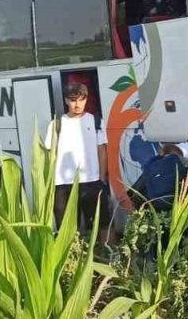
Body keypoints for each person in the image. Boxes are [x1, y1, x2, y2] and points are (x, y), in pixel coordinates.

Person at [49, 82, 129, 245]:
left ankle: (108, 259)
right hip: (63, 185)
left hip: (91, 181)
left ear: (86, 100)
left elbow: (102, 150)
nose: (77, 104)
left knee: (104, 223)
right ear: (66, 101)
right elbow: (51, 154)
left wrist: (101, 177)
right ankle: (72, 263)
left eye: (81, 99)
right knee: (67, 228)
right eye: (72, 100)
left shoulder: (96, 121)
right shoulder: (56, 125)